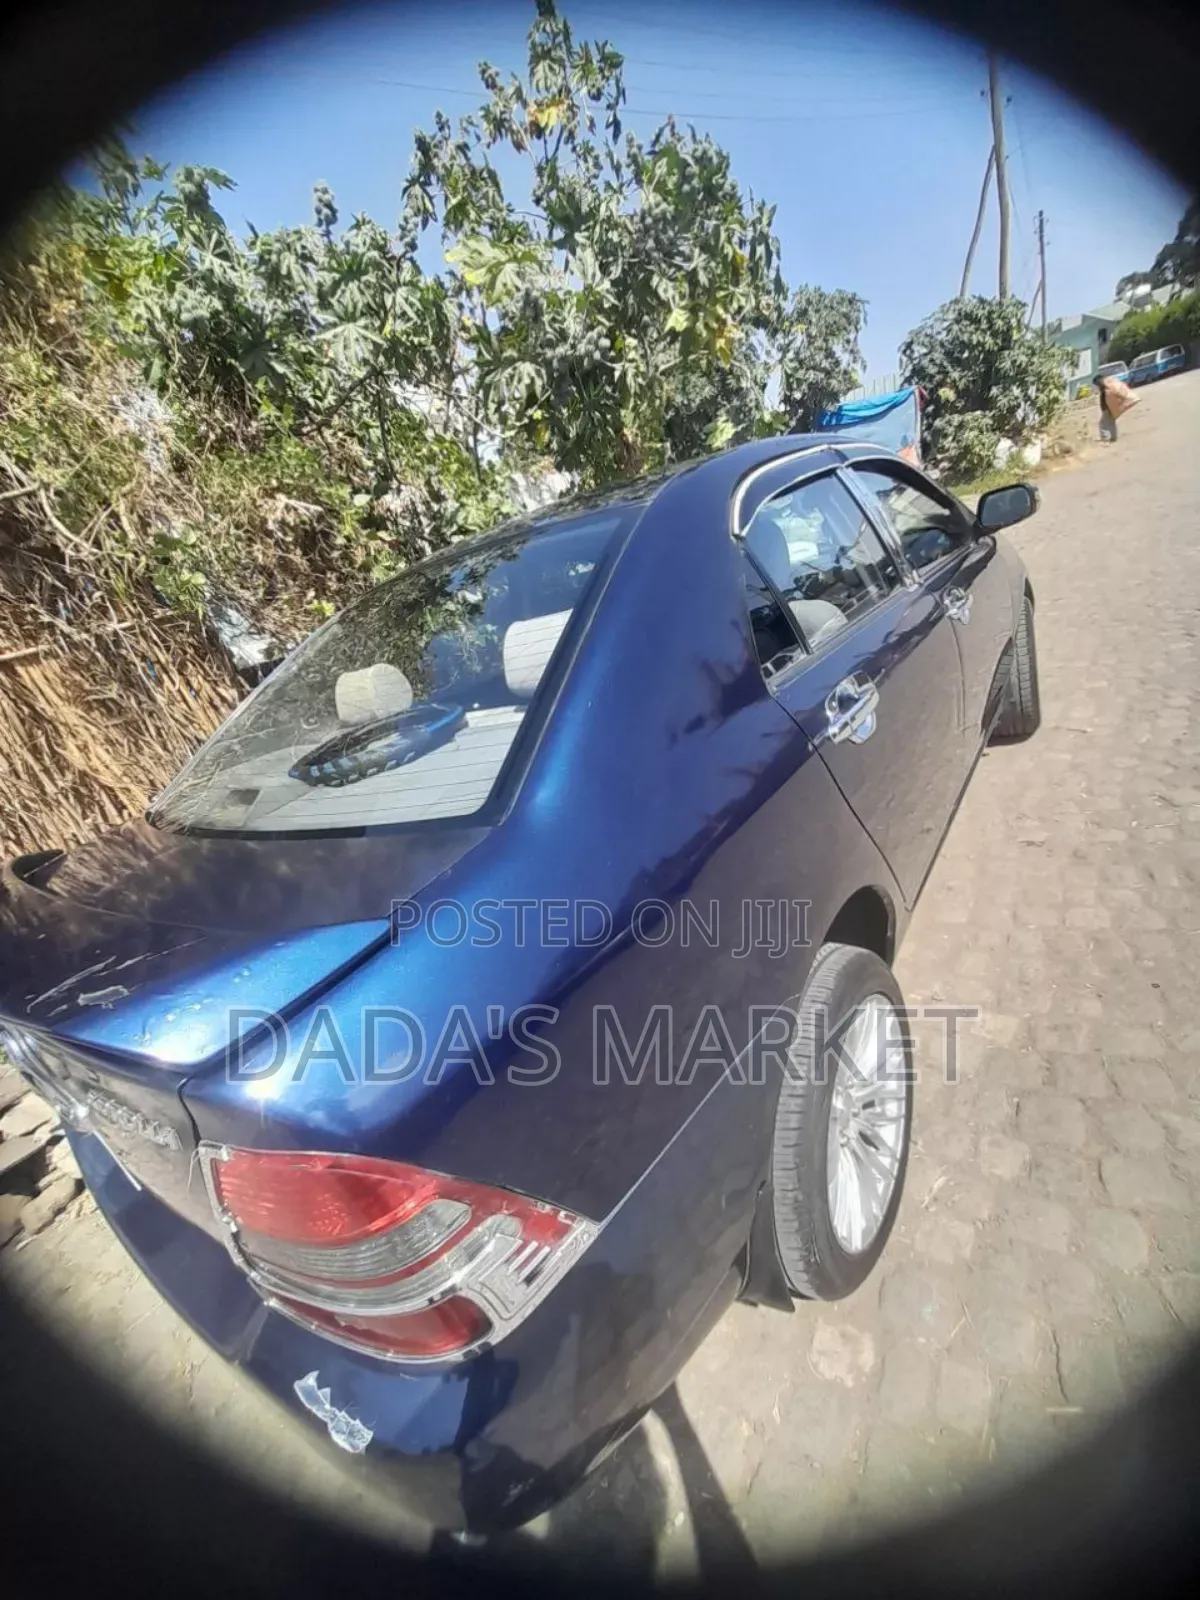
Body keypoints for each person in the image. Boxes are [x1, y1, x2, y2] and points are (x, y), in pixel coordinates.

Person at [1097, 375, 1118, 442]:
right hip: (1111, 407)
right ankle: (1114, 437)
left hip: (1107, 409)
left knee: (1102, 424)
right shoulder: (1108, 388)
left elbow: (1105, 400)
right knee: (1112, 423)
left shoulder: (1104, 390)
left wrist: (1106, 409)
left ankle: (1105, 438)